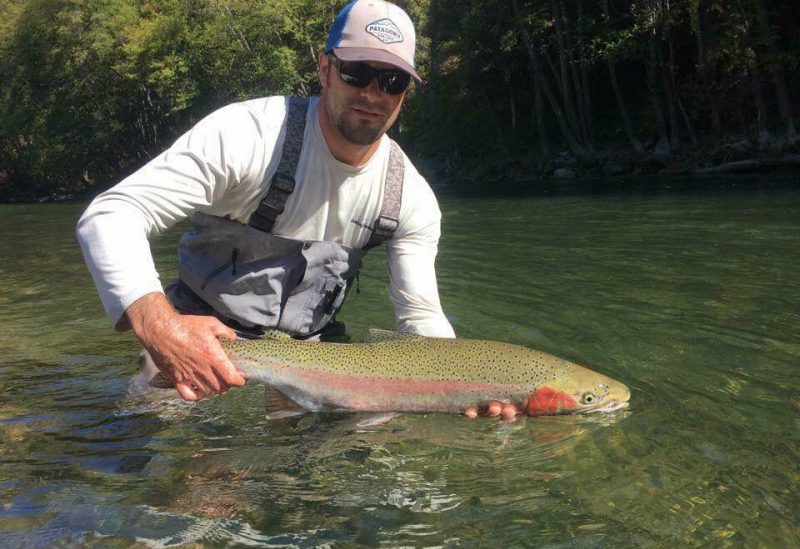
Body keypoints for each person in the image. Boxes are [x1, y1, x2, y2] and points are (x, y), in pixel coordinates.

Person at [77, 0, 520, 421]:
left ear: (405, 93)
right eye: (358, 72)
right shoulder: (249, 135)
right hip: (199, 340)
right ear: (325, 69)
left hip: (321, 360)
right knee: (158, 468)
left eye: (392, 81)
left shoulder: (411, 199)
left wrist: (472, 385)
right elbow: (112, 214)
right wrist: (164, 330)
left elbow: (419, 318)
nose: (372, 93)